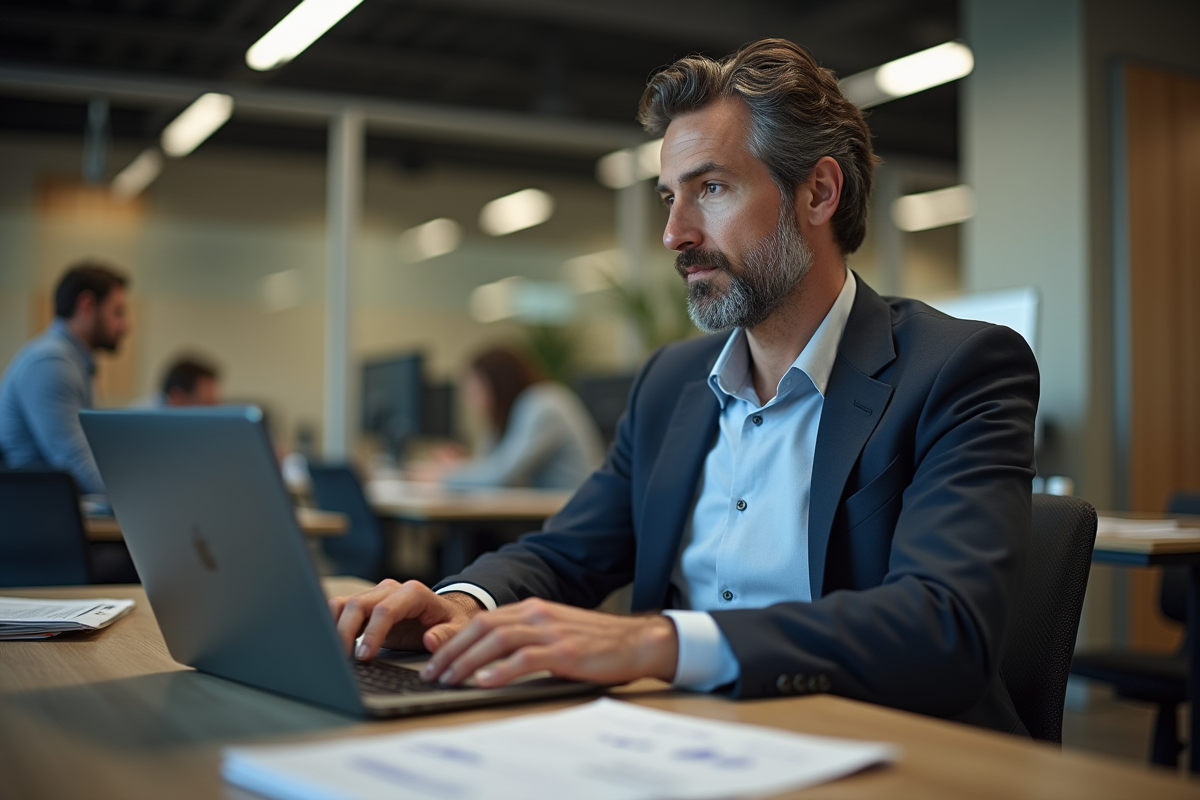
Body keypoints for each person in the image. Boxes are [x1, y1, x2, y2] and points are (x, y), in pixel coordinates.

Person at [330, 39, 1038, 734]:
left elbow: (944, 626)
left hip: (879, 744)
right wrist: (463, 604)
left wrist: (662, 642)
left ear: (819, 192)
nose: (674, 233)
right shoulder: (671, 383)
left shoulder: (958, 368)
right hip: (682, 738)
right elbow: (569, 550)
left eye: (712, 189)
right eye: (670, 197)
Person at [0, 261, 130, 498]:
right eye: (118, 312)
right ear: (87, 305)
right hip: (34, 512)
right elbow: (77, 465)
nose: (126, 326)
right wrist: (145, 497)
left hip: (47, 506)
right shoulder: (51, 362)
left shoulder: (72, 360)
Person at [414, 346, 605, 491]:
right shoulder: (513, 412)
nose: (471, 400)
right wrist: (462, 465)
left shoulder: (543, 406)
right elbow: (492, 465)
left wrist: (445, 476)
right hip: (552, 512)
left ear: (498, 383)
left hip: (578, 516)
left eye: (476, 389)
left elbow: (502, 475)